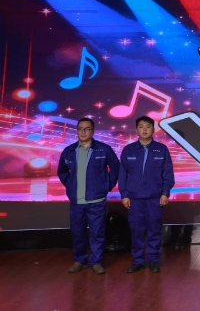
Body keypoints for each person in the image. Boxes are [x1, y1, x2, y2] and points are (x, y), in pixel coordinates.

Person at [57, 117, 120, 275]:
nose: (83, 132)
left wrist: (107, 185)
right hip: (76, 201)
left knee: (97, 232)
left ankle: (96, 262)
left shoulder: (103, 149)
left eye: (87, 129)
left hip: (96, 200)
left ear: (93, 131)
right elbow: (62, 171)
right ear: (77, 131)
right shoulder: (69, 151)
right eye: (80, 129)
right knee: (77, 232)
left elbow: (115, 168)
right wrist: (71, 185)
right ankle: (80, 260)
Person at [118, 116, 175, 274]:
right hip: (134, 199)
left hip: (154, 198)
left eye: (148, 126)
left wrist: (165, 193)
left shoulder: (161, 149)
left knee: (154, 229)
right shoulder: (128, 150)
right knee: (136, 230)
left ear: (153, 129)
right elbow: (122, 175)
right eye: (141, 126)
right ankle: (138, 261)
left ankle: (154, 260)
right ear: (136, 130)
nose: (144, 129)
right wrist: (124, 194)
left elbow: (168, 174)